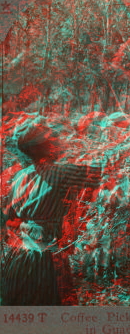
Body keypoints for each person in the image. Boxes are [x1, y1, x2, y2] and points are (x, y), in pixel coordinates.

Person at [1, 120, 105, 305]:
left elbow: (9, 217)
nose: (57, 144)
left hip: (18, 258)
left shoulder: (19, 176)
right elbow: (102, 170)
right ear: (45, 148)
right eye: (52, 141)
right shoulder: (59, 173)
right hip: (43, 260)